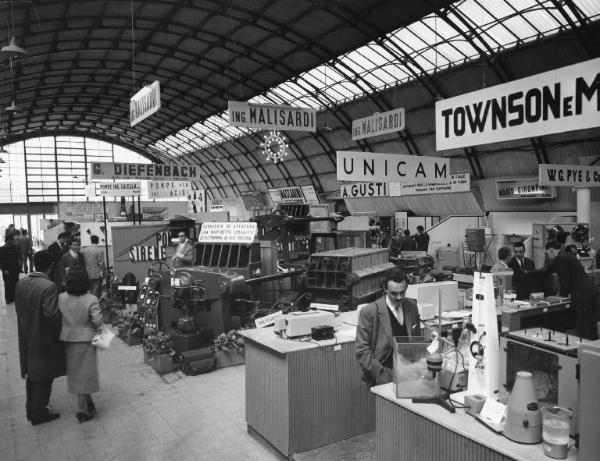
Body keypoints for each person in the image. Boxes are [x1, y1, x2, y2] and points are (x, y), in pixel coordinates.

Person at [14, 250, 65, 425]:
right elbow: (51, 315)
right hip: (43, 337)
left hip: (26, 333)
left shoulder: (21, 283)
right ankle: (39, 413)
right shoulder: (49, 286)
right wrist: (61, 332)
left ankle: (31, 409)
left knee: (32, 373)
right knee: (44, 374)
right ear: (51, 266)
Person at [356, 269, 421, 386]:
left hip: (409, 374)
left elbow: (416, 341)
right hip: (382, 376)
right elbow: (362, 351)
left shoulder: (412, 306)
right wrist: (381, 375)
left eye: (402, 292)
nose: (399, 297)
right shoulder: (370, 312)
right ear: (385, 289)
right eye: (394, 293)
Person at [58, 266, 103, 423]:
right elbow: (97, 321)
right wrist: (102, 332)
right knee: (86, 372)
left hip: (68, 338)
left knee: (77, 372)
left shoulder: (61, 298)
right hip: (86, 339)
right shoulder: (91, 299)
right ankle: (81, 410)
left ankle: (88, 402)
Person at [545, 241, 598, 340]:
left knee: (583, 325)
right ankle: (591, 347)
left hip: (582, 294)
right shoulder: (567, 256)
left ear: (551, 250)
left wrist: (560, 298)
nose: (547, 256)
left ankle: (585, 348)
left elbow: (565, 282)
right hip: (589, 291)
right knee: (589, 323)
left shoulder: (561, 258)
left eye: (547, 253)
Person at [0, 233, 22, 304]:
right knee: (8, 284)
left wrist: (19, 262)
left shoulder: (14, 248)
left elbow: (18, 256)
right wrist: (5, 269)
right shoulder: (2, 249)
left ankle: (14, 297)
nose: (13, 241)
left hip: (15, 269)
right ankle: (8, 299)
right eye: (11, 240)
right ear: (7, 240)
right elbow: (1, 260)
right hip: (7, 270)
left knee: (15, 283)